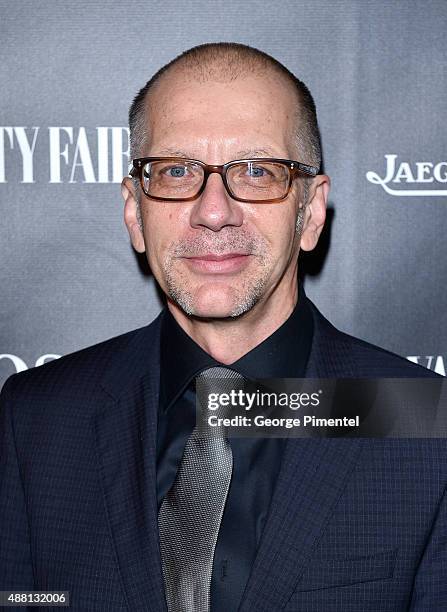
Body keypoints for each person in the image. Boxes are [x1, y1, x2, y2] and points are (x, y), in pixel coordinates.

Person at [0, 42, 445, 612]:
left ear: (310, 213)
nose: (214, 210)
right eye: (176, 170)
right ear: (135, 213)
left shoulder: (427, 430)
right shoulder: (37, 417)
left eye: (258, 171)